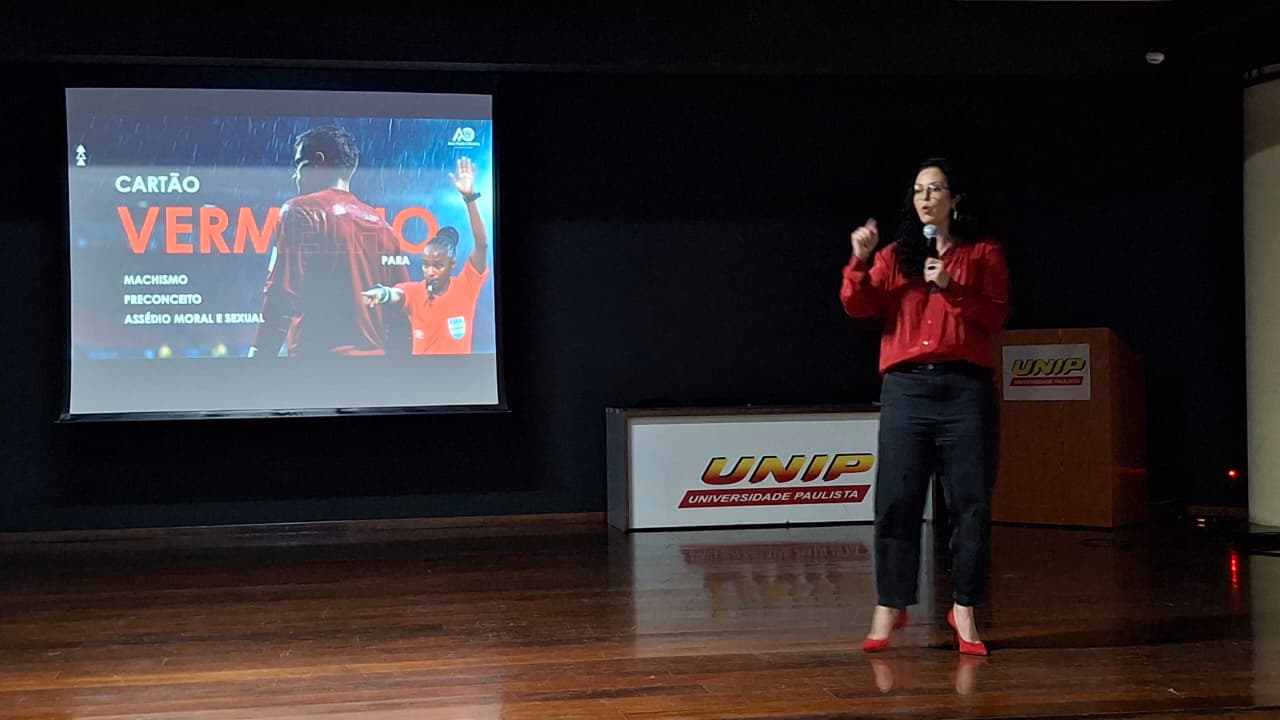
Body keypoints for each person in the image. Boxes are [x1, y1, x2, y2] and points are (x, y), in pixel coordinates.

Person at [840, 157, 1010, 656]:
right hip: (906, 391)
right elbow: (859, 306)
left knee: (970, 505)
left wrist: (951, 287)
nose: (926, 197)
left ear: (955, 199)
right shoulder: (895, 256)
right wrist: (859, 260)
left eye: (935, 189)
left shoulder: (983, 253)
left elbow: (997, 315)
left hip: (965, 390)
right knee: (897, 500)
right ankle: (891, 604)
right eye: (918, 190)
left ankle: (964, 607)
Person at [250, 125, 410, 357]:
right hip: (375, 374)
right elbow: (402, 307)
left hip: (318, 370)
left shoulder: (300, 211)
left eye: (298, 164)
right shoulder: (384, 227)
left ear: (318, 161)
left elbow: (281, 297)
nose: (295, 175)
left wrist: (257, 359)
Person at [362, 157, 490, 355]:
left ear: (452, 264)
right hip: (423, 381)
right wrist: (381, 294)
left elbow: (482, 244)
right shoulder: (414, 291)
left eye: (437, 265)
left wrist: (470, 198)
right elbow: (396, 294)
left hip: (458, 380)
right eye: (425, 265)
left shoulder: (467, 285)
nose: (429, 271)